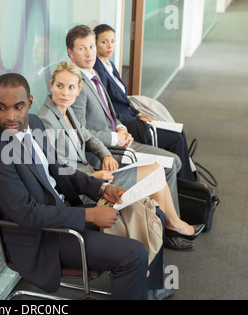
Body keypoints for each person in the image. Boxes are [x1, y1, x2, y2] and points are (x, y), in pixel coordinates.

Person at [0, 73, 154, 300]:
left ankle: (149, 289)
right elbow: (27, 215)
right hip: (45, 236)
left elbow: (59, 168)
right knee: (133, 254)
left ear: (30, 103)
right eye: (1, 108)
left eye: (18, 107)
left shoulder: (35, 123)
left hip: (64, 211)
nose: (10, 116)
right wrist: (89, 215)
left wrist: (99, 189)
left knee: (149, 212)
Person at [37, 61, 203, 254]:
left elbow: (89, 137)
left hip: (95, 176)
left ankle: (170, 227)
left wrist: (106, 155)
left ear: (78, 89)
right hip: (86, 188)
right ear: (51, 85)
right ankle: (172, 228)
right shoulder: (47, 121)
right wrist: (94, 177)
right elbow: (59, 168)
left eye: (71, 87)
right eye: (60, 86)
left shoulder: (67, 111)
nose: (65, 92)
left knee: (157, 172)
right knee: (155, 172)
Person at [65, 25, 201, 250]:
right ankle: (168, 229)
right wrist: (113, 137)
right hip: (105, 154)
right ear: (71, 53)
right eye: (82, 48)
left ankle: (168, 221)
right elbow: (81, 132)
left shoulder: (94, 73)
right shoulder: (75, 84)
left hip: (118, 141)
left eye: (90, 46)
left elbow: (111, 112)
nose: (89, 53)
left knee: (173, 160)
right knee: (167, 167)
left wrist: (121, 128)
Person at [93, 24, 195, 181]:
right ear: (95, 43)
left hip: (131, 116)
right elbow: (108, 107)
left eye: (113, 41)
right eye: (104, 42)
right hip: (125, 123)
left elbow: (124, 99)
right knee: (176, 140)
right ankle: (190, 186)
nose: (110, 46)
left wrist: (138, 113)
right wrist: (131, 119)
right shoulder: (97, 69)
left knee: (180, 133)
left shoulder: (109, 65)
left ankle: (191, 186)